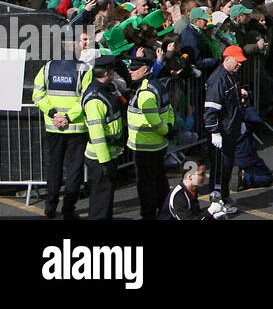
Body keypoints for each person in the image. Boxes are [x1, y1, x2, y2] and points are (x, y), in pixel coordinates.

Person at [30, 55, 89, 219]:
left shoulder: (47, 68)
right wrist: (68, 117)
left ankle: (50, 208)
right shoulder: (84, 69)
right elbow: (86, 98)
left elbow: (37, 95)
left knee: (54, 168)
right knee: (74, 170)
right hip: (76, 129)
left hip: (53, 127)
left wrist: (53, 114)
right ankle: (68, 209)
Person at [125, 47, 173, 220]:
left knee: (146, 185)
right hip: (157, 144)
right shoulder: (156, 84)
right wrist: (169, 129)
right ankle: (165, 210)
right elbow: (169, 110)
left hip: (145, 145)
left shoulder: (145, 92)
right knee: (160, 180)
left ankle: (149, 214)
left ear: (145, 70)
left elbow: (153, 120)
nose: (130, 73)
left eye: (134, 69)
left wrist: (165, 130)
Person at [204, 44, 250, 215]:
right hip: (221, 131)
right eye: (237, 62)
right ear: (227, 59)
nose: (240, 65)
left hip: (230, 129)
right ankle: (216, 201)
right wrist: (214, 132)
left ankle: (224, 196)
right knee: (219, 168)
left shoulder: (232, 76)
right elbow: (210, 110)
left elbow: (233, 101)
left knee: (227, 166)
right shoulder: (218, 80)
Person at [80, 54, 125, 220]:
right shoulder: (95, 98)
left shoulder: (105, 90)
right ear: (107, 73)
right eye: (112, 71)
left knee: (105, 199)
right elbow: (97, 134)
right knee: (101, 201)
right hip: (100, 157)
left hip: (109, 152)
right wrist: (105, 161)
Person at [160, 159, 225, 220]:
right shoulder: (179, 197)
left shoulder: (193, 189)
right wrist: (209, 212)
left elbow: (196, 214)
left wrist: (213, 215)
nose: (205, 176)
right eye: (202, 174)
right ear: (190, 176)